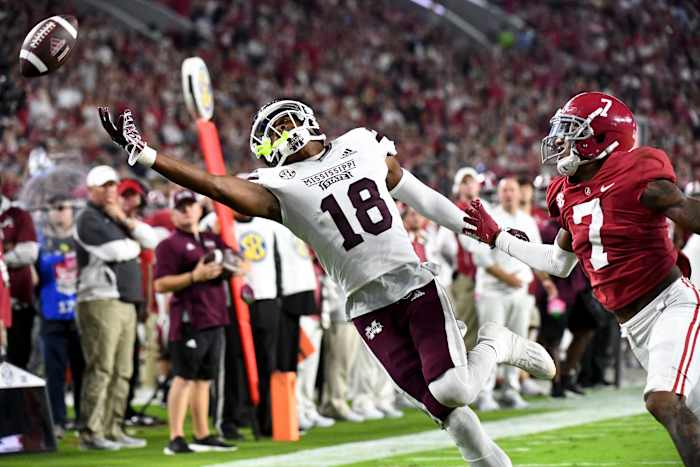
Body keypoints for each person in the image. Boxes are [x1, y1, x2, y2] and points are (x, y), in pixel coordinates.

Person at [99, 102, 555, 466]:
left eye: (279, 127)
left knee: (454, 390)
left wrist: (489, 234)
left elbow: (421, 196)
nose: (279, 137)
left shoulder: (359, 143)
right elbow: (216, 186)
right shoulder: (282, 184)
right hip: (364, 306)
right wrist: (147, 156)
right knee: (447, 414)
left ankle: (494, 342)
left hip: (411, 283)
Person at [463, 91, 700, 466]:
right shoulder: (567, 194)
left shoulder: (639, 176)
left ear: (603, 139)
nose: (562, 142)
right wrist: (499, 238)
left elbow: (688, 212)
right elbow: (558, 261)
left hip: (671, 303)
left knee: (662, 399)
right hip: (633, 324)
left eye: (574, 132)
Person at [74, 165, 157, 450]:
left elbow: (152, 240)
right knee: (102, 368)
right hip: (99, 299)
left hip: (125, 300)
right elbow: (118, 252)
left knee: (123, 370)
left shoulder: (117, 217)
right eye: (104, 186)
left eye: (113, 185)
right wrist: (131, 240)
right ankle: (91, 432)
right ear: (91, 190)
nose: (110, 190)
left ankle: (113, 427)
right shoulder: (87, 218)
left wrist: (125, 220)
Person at [154, 189, 237, 455]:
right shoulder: (169, 244)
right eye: (182, 207)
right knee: (184, 377)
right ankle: (175, 437)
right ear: (173, 213)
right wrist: (194, 276)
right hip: (188, 318)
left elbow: (239, 262)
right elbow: (160, 284)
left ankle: (202, 434)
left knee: (204, 379)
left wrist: (229, 268)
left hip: (215, 314)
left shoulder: (213, 239)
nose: (188, 211)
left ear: (200, 209)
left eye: (191, 206)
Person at [471, 177, 557, 411]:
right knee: (490, 343)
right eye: (504, 190)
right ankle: (485, 393)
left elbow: (537, 255)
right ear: (499, 194)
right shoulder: (490, 218)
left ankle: (511, 390)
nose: (508, 194)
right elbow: (481, 258)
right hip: (492, 291)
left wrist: (546, 282)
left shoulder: (527, 221)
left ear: (519, 194)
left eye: (512, 190)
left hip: (519, 292)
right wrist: (506, 278)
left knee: (518, 343)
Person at [36, 194, 85, 439]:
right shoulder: (40, 243)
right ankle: (57, 420)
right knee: (54, 372)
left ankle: (82, 418)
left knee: (81, 370)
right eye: (53, 208)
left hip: (79, 315)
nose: (58, 212)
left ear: (71, 211)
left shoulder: (82, 240)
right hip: (51, 315)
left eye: (62, 207)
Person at [1, 190, 39, 370]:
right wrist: (10, 248)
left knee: (18, 361)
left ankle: (15, 399)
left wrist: (2, 258)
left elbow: (29, 253)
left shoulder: (18, 214)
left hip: (18, 302)